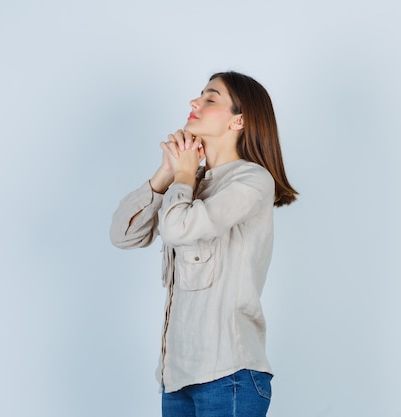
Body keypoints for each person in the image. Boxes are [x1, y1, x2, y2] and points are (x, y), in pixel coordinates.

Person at [110, 71, 297, 417]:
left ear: (239, 120)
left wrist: (181, 178)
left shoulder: (252, 180)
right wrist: (165, 175)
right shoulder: (189, 182)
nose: (194, 103)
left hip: (230, 376)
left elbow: (178, 228)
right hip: (177, 379)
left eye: (210, 98)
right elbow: (124, 235)